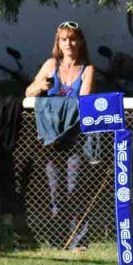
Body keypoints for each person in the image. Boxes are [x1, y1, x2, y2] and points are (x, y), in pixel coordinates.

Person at [25, 21, 95, 234]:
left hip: (75, 138)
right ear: (58, 42)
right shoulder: (51, 65)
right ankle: (58, 234)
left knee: (74, 186)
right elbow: (29, 92)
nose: (68, 44)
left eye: (73, 39)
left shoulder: (87, 69)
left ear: (80, 42)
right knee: (55, 187)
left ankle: (78, 238)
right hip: (51, 138)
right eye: (64, 39)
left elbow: (84, 99)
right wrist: (40, 86)